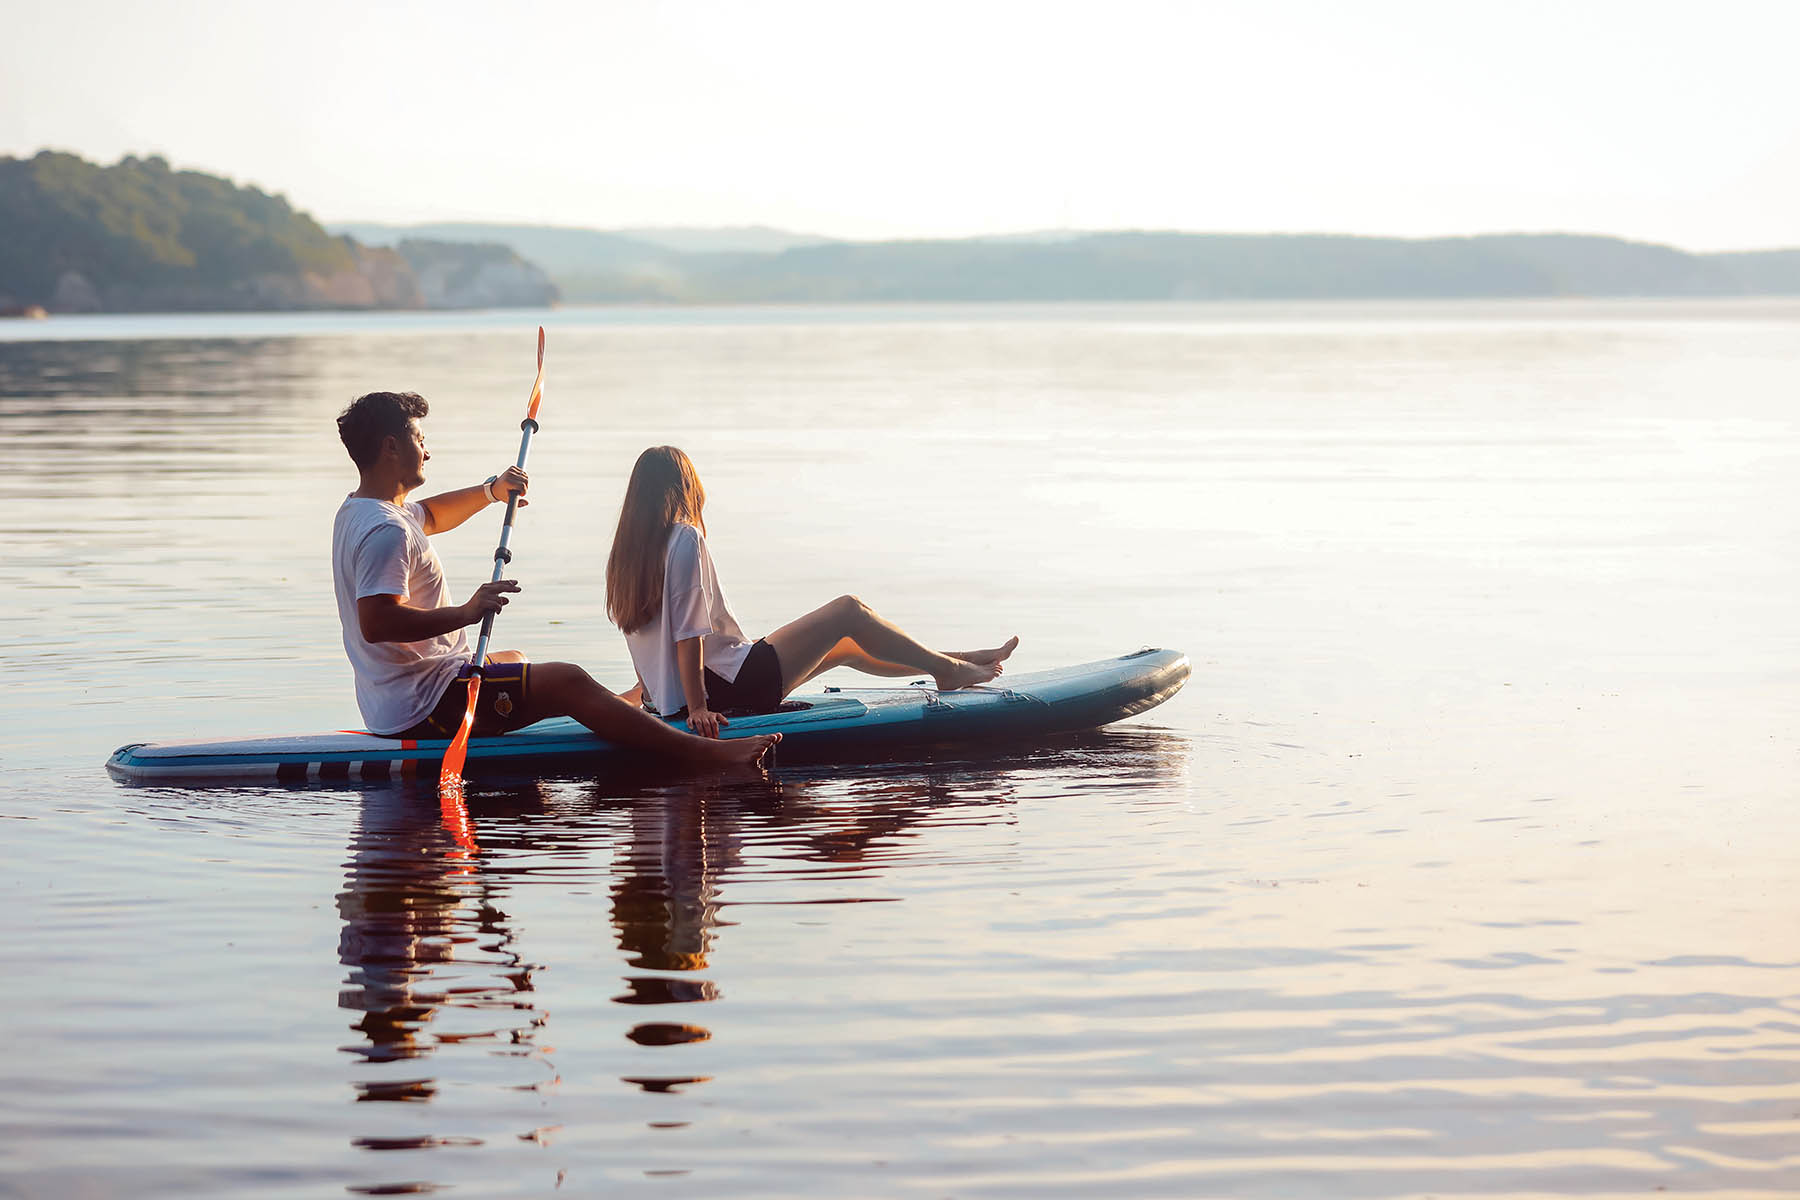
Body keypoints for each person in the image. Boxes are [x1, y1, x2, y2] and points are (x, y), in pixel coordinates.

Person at [331, 392, 778, 769]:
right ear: (391, 447)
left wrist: (491, 492)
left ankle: (607, 712)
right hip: (428, 703)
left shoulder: (363, 511)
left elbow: (430, 515)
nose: (427, 451)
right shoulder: (386, 531)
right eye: (420, 440)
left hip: (396, 698)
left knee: (517, 659)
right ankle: (702, 753)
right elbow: (378, 622)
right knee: (567, 680)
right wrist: (467, 612)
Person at [604, 445, 1018, 738]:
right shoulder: (684, 537)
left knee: (848, 647)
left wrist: (650, 700)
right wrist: (698, 709)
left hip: (702, 687)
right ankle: (948, 669)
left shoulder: (625, 556)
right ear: (684, 487)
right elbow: (688, 635)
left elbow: (645, 641)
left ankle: (955, 661)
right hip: (730, 685)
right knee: (849, 611)